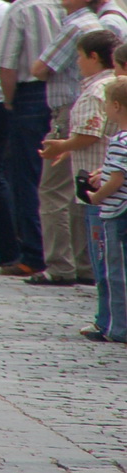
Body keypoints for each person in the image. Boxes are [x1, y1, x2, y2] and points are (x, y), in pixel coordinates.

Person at [27, 0, 109, 285]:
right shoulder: (91, 23)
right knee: (78, 191)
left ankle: (60, 264)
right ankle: (84, 263)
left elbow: (39, 68)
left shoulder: (76, 26)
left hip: (68, 112)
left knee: (53, 191)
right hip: (81, 109)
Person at [0, 0, 66, 278]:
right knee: (60, 178)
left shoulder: (22, 8)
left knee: (28, 176)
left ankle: (34, 254)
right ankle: (61, 252)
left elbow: (7, 64)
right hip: (65, 93)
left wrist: (9, 100)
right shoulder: (68, 4)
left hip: (29, 94)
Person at [81, 79, 127, 342]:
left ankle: (118, 327)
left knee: (115, 272)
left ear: (117, 106)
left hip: (116, 212)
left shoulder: (120, 140)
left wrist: (96, 195)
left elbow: (117, 178)